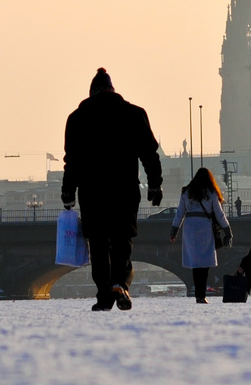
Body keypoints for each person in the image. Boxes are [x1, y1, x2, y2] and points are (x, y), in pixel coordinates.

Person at [61, 68, 163, 311]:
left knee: (98, 244)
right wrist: (155, 184)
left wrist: (68, 193)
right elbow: (149, 154)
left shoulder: (77, 118)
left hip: (92, 192)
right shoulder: (134, 114)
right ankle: (121, 283)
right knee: (122, 240)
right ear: (112, 89)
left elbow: (71, 161)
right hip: (124, 191)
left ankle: (104, 294)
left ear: (91, 92)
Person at [169, 167, 231, 304]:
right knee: (205, 262)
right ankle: (201, 294)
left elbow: (179, 214)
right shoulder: (211, 193)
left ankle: (198, 294)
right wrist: (228, 231)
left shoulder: (186, 192)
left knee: (195, 263)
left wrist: (174, 231)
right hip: (204, 226)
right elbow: (220, 215)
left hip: (189, 227)